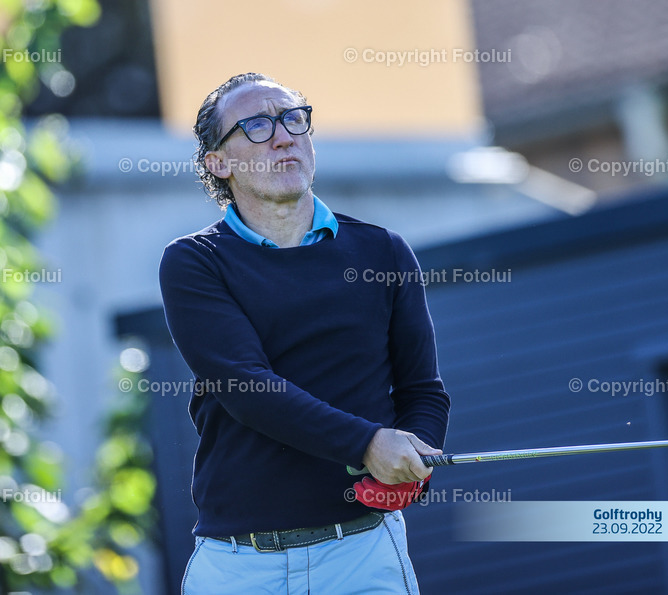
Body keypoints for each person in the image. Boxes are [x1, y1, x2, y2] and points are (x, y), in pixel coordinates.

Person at [158, 72, 451, 594]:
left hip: (365, 555)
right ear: (219, 163)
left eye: (294, 118)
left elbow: (422, 393)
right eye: (256, 126)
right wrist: (367, 444)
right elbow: (247, 386)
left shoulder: (383, 252)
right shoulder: (195, 263)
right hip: (241, 565)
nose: (284, 135)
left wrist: (413, 461)